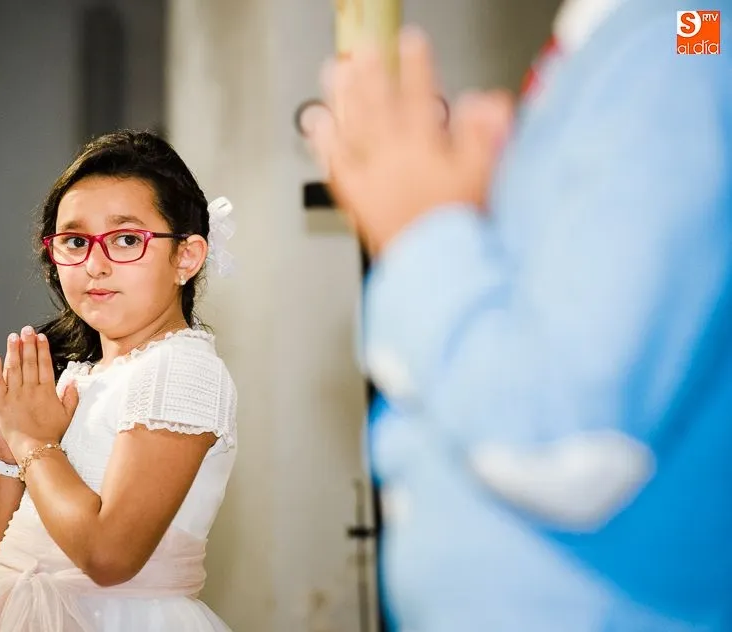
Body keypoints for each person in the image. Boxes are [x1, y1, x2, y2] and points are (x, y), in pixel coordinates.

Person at [307, 0, 732, 630]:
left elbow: (569, 440)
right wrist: (480, 220)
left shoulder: (680, 38)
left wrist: (420, 229)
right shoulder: (643, 44)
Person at [0, 130, 239, 631]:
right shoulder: (78, 374)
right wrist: (9, 453)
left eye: (126, 240)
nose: (95, 266)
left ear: (186, 256)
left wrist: (34, 443)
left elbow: (109, 556)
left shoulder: (181, 368)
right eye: (76, 242)